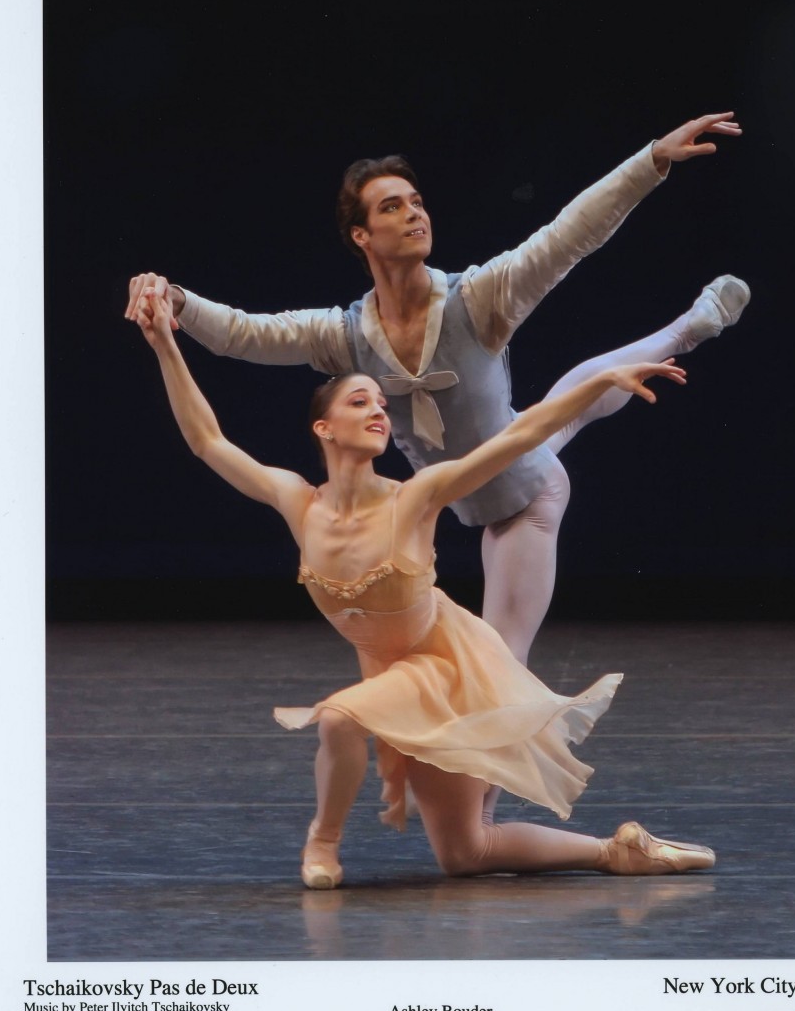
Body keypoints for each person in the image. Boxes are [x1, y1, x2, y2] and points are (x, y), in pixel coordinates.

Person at [134, 283, 716, 888]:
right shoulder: (297, 502)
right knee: (466, 852)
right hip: (393, 684)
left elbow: (516, 438)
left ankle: (323, 843)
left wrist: (599, 386)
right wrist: (164, 345)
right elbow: (207, 440)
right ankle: (617, 851)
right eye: (360, 401)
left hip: (445, 673)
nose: (379, 411)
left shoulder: (415, 497)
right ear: (324, 427)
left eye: (381, 404)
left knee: (337, 720)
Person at [125, 112, 750, 670]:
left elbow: (568, 236)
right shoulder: (344, 335)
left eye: (417, 202)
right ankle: (687, 327)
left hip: (522, 500)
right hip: (492, 462)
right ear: (361, 235)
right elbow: (244, 333)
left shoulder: (479, 298)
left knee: (502, 665)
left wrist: (652, 159)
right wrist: (175, 299)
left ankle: (684, 330)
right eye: (392, 207)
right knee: (553, 418)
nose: (414, 214)